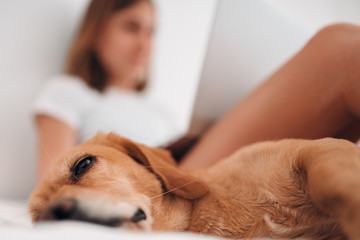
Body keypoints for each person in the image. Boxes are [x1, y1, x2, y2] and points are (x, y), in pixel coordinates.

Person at [32, 0, 177, 182]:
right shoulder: (68, 92)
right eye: (131, 28)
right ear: (96, 32)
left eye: (150, 33)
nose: (144, 45)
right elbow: (52, 185)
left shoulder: (163, 113)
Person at [180, 23, 360, 168]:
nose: (150, 44)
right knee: (338, 51)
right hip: (172, 188)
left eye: (152, 31)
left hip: (184, 161)